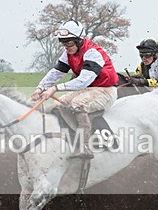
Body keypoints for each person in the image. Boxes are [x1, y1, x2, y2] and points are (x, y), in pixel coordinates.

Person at [31, 20, 119, 159]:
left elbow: (84, 81)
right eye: (63, 43)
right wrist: (40, 88)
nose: (66, 47)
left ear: (79, 41)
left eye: (69, 43)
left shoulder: (92, 53)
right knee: (56, 105)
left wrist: (54, 89)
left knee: (78, 105)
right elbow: (56, 73)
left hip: (105, 90)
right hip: (87, 90)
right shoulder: (68, 54)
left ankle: (84, 147)